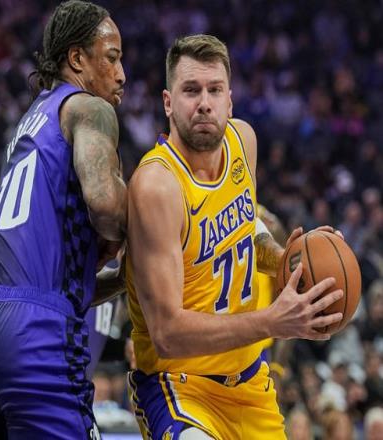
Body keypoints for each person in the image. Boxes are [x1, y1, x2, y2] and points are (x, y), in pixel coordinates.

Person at [126, 34, 344, 439]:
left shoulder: (243, 140)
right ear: (168, 102)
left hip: (250, 384)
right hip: (181, 387)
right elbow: (167, 333)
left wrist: (285, 260)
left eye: (215, 90)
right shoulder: (157, 185)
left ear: (230, 100)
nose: (204, 102)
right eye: (191, 90)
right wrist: (273, 322)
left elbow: (247, 228)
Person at [0, 1, 127, 439]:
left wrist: (124, 278)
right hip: (33, 336)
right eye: (112, 57)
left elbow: (52, 281)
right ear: (77, 58)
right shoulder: (89, 108)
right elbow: (106, 206)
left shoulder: (31, 122)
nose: (122, 75)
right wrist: (157, 217)